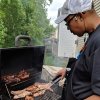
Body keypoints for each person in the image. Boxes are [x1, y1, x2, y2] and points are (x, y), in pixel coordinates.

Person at [55, 0, 100, 100]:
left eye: (67, 23)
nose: (68, 28)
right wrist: (68, 71)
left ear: (80, 15)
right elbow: (88, 66)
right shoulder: (93, 35)